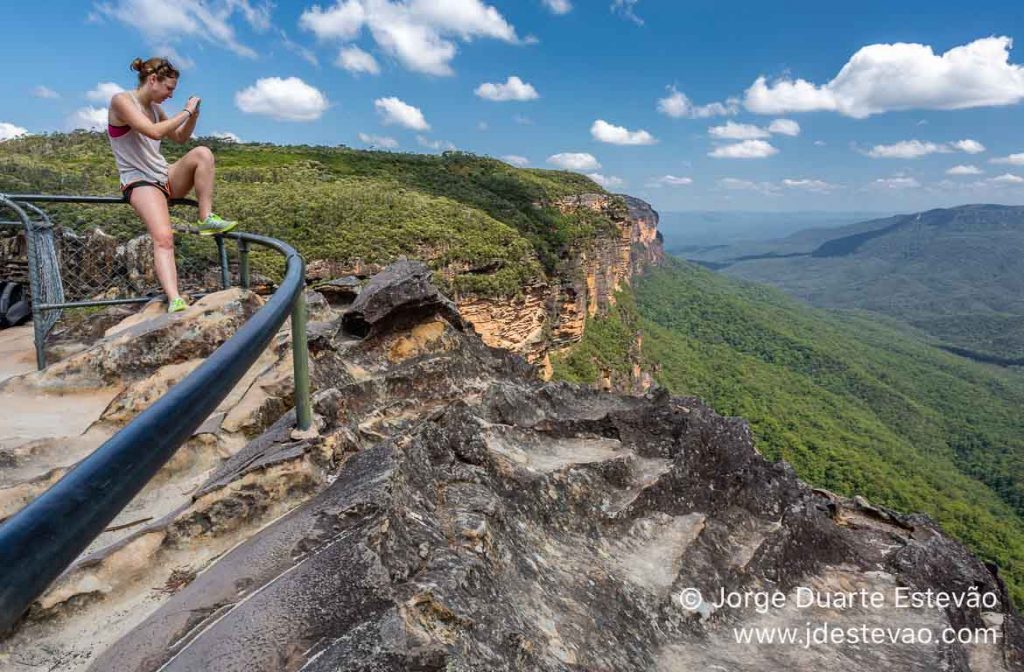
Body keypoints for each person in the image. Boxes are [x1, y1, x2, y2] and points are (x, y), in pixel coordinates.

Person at [108, 56, 237, 313]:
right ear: (152, 80)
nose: (170, 94)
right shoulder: (121, 101)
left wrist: (193, 116)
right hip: (140, 180)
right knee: (164, 238)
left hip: (163, 175)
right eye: (169, 88)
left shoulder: (155, 109)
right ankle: (174, 297)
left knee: (202, 153)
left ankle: (206, 218)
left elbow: (179, 138)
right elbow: (154, 132)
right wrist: (185, 111)